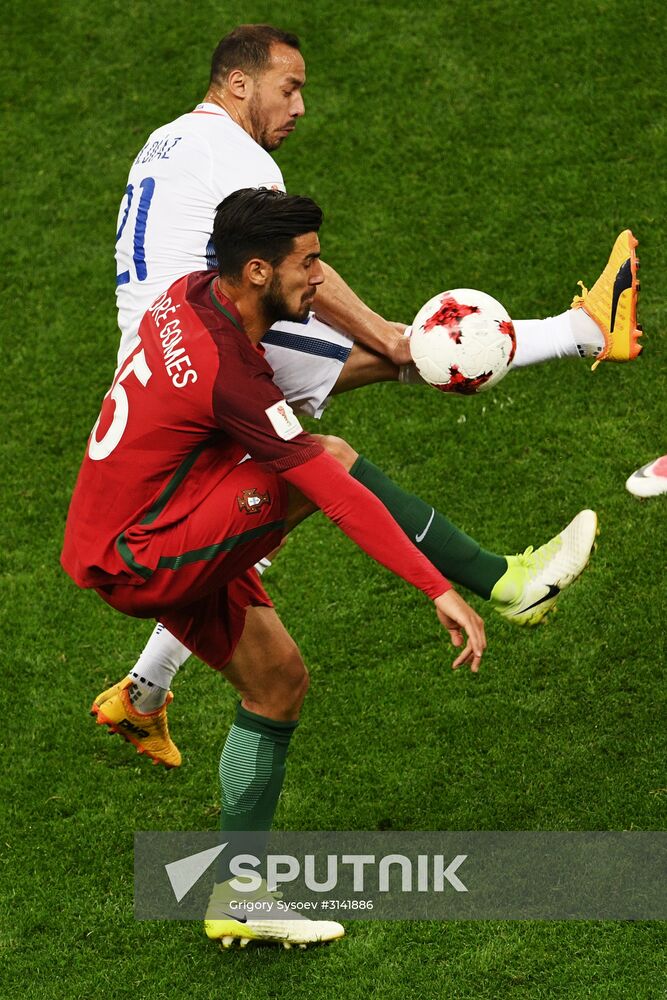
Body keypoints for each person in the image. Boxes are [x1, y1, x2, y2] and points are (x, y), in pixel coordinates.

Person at [63, 189, 596, 945]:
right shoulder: (227, 370)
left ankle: (238, 893)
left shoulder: (189, 294)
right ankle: (498, 582)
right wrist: (434, 589)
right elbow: (335, 497)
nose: (320, 278)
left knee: (278, 683)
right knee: (329, 459)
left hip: (147, 525)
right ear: (254, 272)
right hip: (141, 552)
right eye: (307, 264)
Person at [97, 23, 632, 768]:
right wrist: (383, 331)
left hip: (163, 343)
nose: (301, 106)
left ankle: (144, 692)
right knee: (407, 366)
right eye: (290, 87)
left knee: (252, 511)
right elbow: (291, 267)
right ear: (239, 84)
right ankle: (578, 355)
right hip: (215, 342)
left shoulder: (168, 138)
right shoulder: (236, 155)